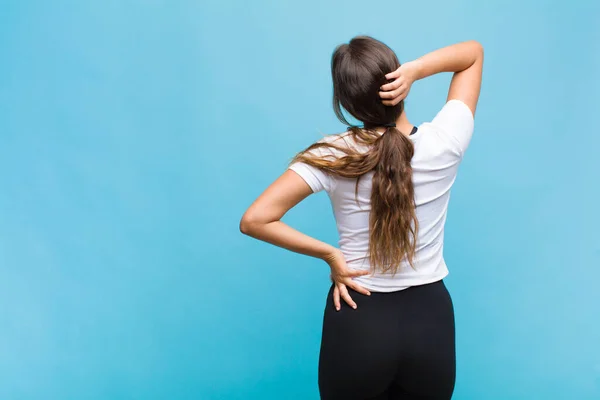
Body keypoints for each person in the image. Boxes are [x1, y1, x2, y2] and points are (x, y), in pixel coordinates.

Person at [239, 36, 483, 400]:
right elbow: (472, 54)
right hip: (430, 321)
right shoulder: (446, 140)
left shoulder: (333, 154)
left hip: (359, 315)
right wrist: (415, 70)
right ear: (397, 82)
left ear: (346, 102)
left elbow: (255, 219)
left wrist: (331, 255)